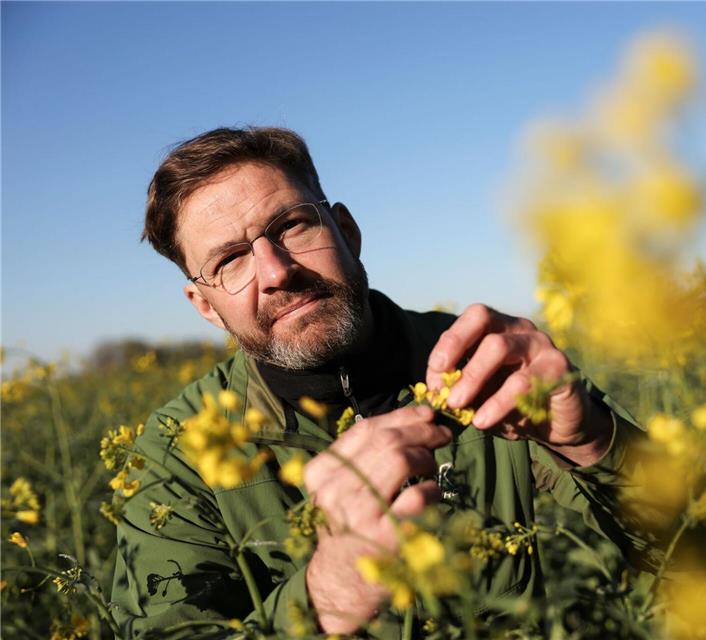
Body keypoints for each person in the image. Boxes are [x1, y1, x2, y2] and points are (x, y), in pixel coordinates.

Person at [112, 126, 642, 637]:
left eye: (292, 226)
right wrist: (327, 597)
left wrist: (594, 440)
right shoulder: (176, 452)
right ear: (204, 306)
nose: (276, 272)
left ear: (346, 231)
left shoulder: (490, 364)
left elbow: (696, 556)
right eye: (230, 260)